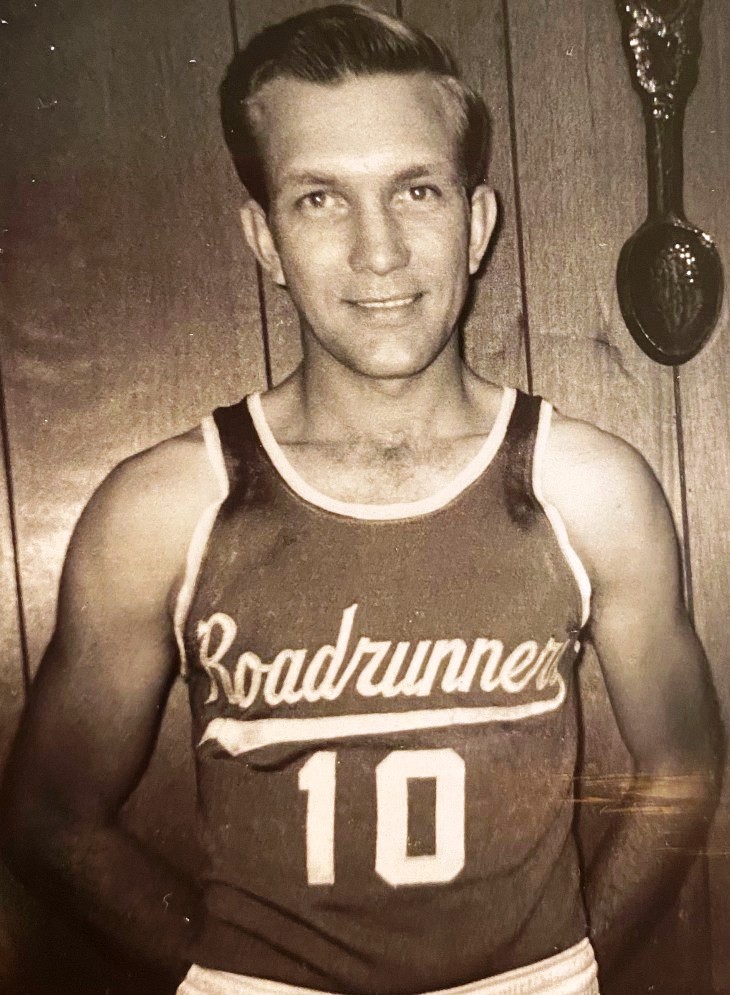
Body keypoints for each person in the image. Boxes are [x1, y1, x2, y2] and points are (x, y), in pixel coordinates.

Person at [1, 5, 722, 994]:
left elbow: (683, 763)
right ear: (264, 240)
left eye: (416, 189)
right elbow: (48, 815)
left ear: (476, 224)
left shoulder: (587, 486)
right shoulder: (165, 506)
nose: (378, 251)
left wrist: (565, 967)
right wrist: (225, 978)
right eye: (319, 199)